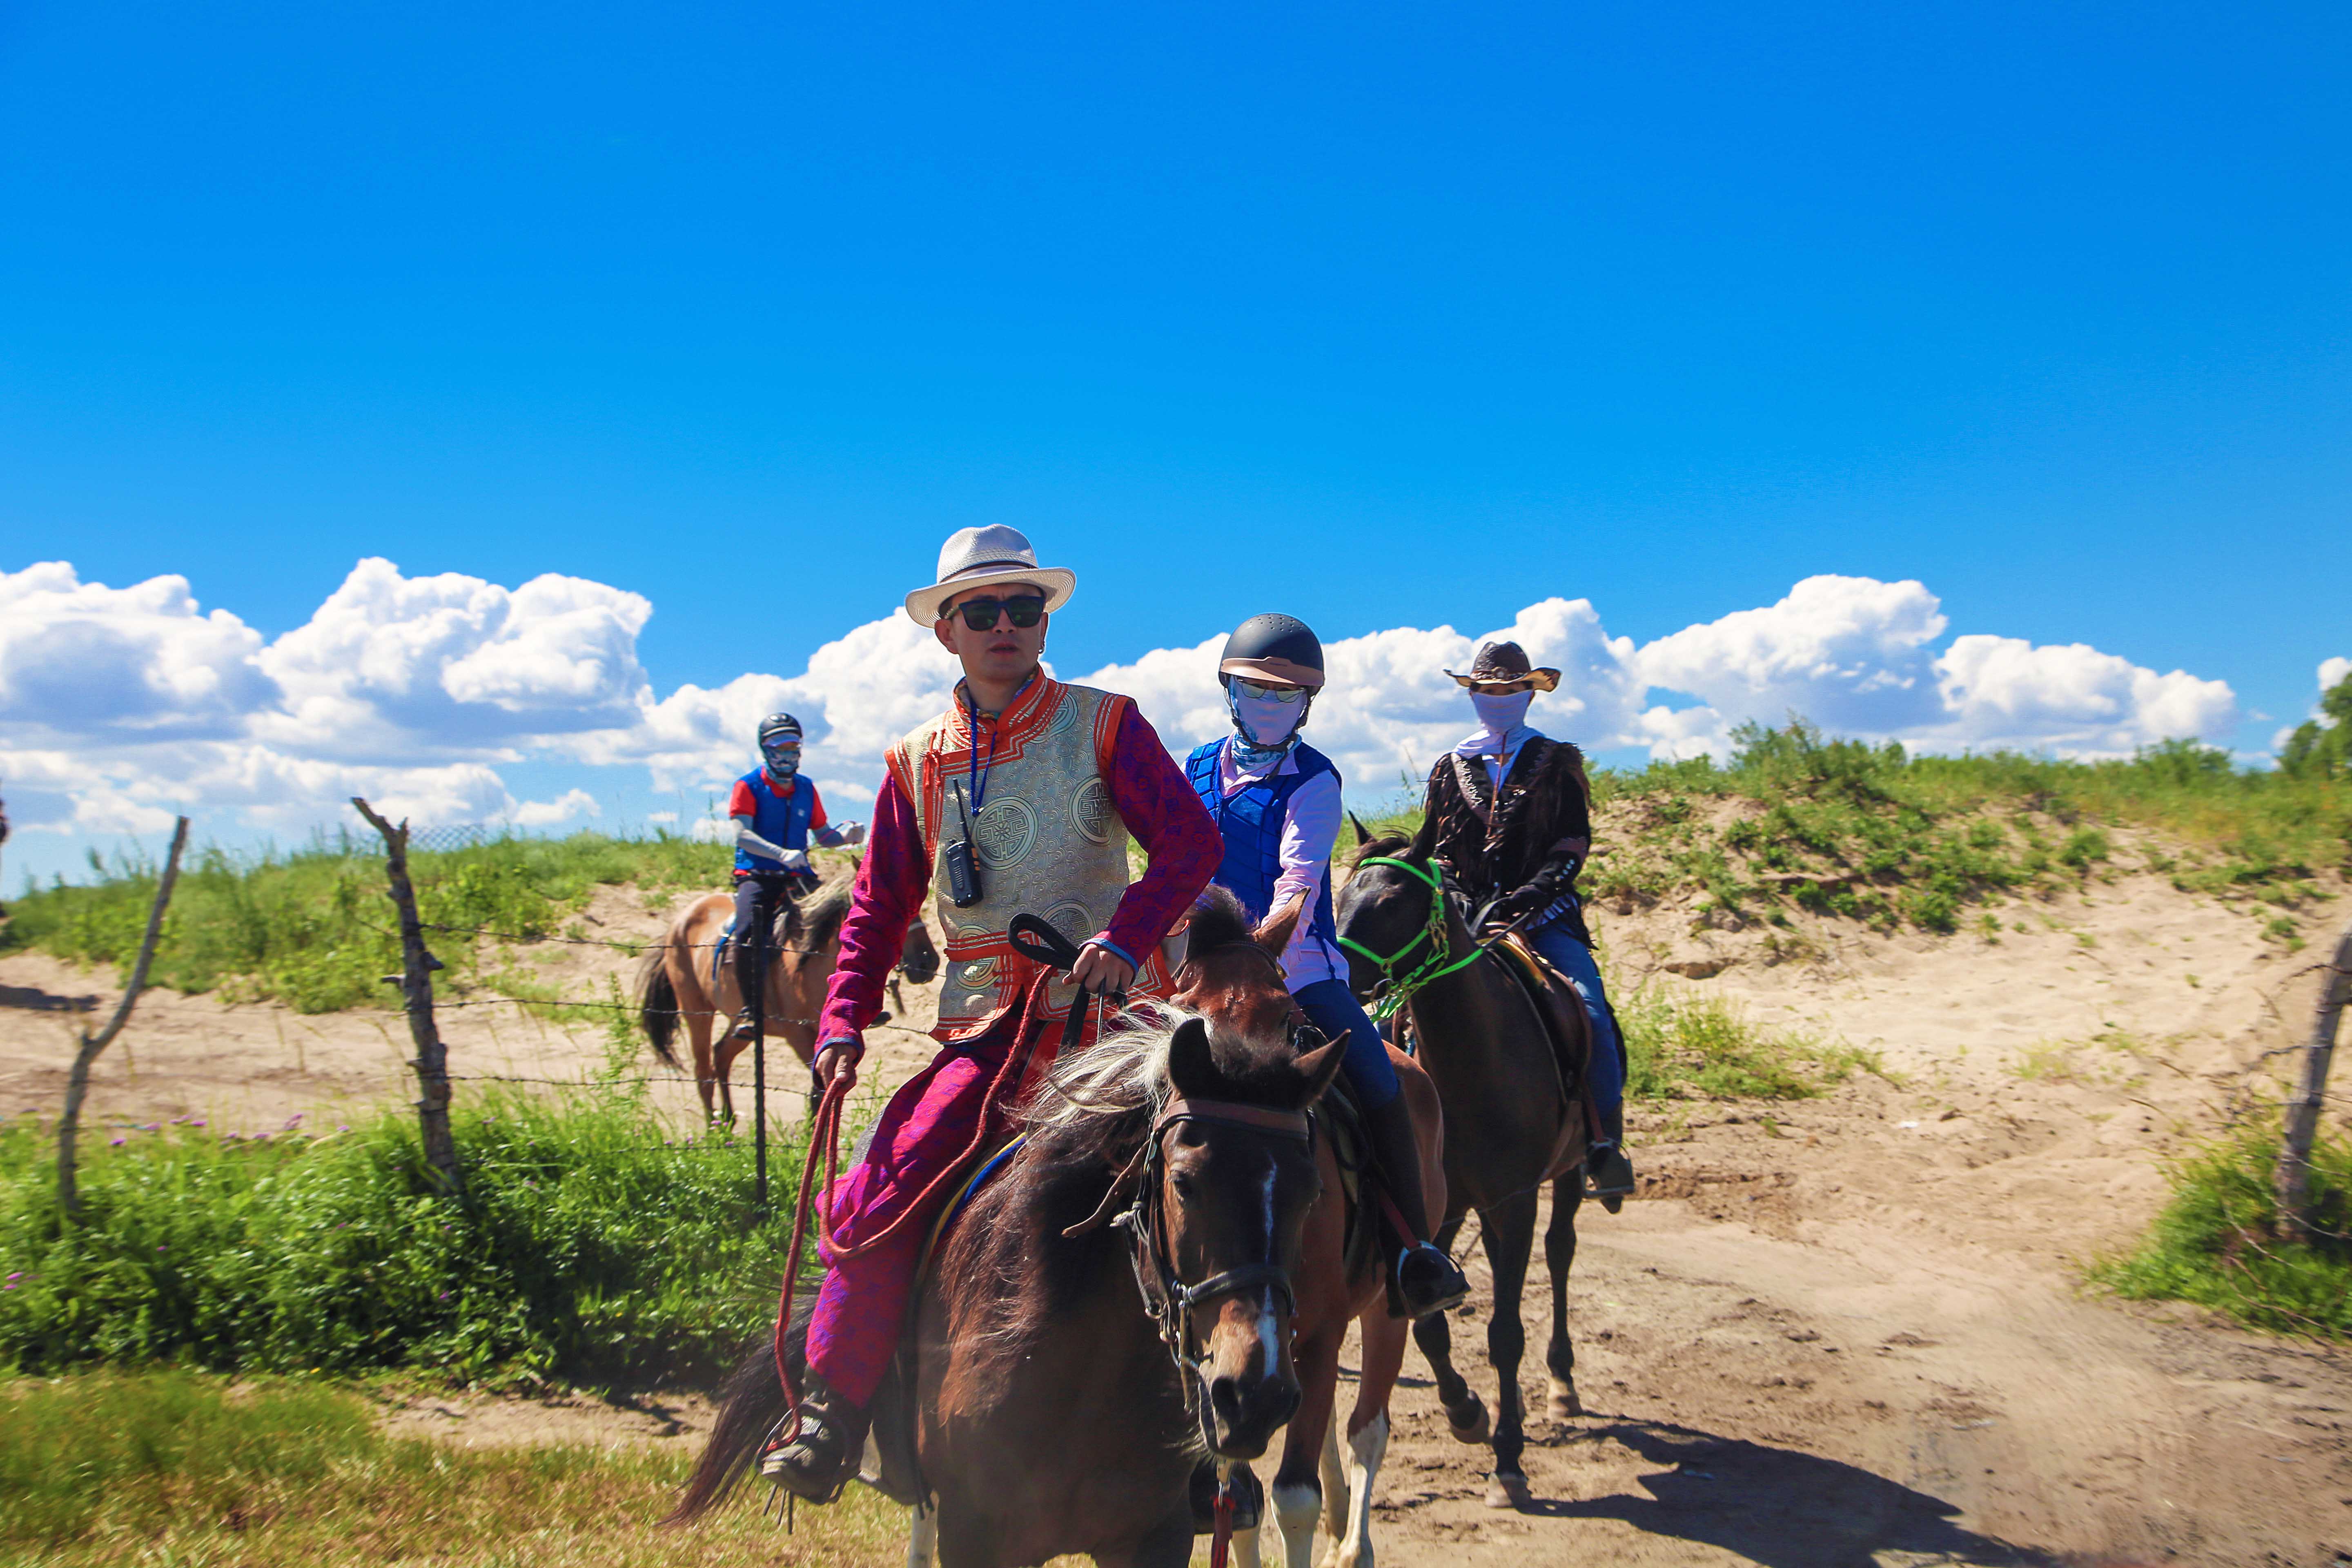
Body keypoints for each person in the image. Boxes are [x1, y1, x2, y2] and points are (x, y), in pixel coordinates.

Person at [763, 524, 1221, 1501]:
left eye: (1025, 607)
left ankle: (1237, 1422)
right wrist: (842, 1019)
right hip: (984, 1034)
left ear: (1043, 621)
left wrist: (1128, 935)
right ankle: (833, 1410)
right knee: (878, 1188)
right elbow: (878, 909)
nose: (1006, 623)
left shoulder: (1106, 722)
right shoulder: (910, 763)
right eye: (983, 610)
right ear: (948, 633)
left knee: (1228, 1170)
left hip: (1112, 1021)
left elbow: (1187, 843)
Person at [1181, 613, 1471, 1319]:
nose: (1269, 707)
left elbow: (1301, 876)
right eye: (1256, 691)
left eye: (1286, 696)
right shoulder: (1193, 767)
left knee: (1379, 1080)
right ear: (1230, 691)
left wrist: (1268, 940)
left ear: (1308, 704)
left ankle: (1413, 1250)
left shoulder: (1315, 781)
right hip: (1200, 969)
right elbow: (1179, 862)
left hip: (1298, 967)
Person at [1420, 639, 1635, 1205]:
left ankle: (1602, 1143)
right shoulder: (1449, 767)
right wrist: (1454, 893)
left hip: (1545, 919)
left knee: (1590, 1008)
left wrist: (1534, 893)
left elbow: (1571, 843)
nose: (1497, 699)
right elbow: (1437, 849)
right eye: (1487, 691)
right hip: (1465, 922)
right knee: (1396, 1016)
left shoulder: (1557, 761)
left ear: (1528, 693)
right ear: (1473, 695)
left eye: (1509, 690)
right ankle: (1394, 1139)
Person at [726, 714, 865, 1042]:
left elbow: (822, 834)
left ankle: (849, 1002)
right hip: (758, 876)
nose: (787, 752)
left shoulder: (806, 788)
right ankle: (750, 1010)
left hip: (799, 877)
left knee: (844, 922)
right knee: (747, 932)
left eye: (793, 744)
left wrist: (846, 837)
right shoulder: (748, 786)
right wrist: (780, 854)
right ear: (765, 749)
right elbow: (742, 835)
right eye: (779, 745)